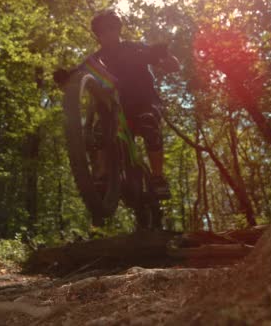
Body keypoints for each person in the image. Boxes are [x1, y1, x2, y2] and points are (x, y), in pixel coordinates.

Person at [55, 10, 180, 199]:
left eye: (112, 28)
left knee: (148, 123)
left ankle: (157, 178)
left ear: (118, 29)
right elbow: (76, 77)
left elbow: (173, 66)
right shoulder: (95, 60)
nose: (108, 33)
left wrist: (164, 55)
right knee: (99, 132)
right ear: (98, 36)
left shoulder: (135, 48)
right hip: (115, 110)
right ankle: (102, 178)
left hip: (144, 103)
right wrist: (65, 77)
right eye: (102, 31)